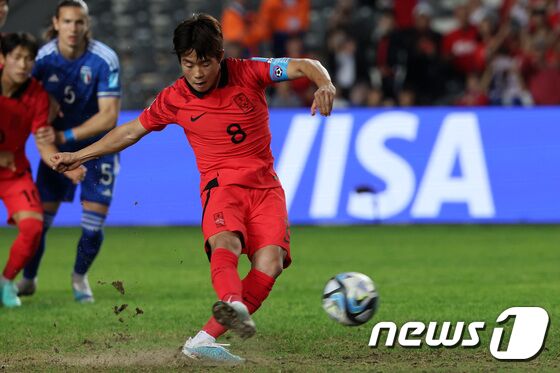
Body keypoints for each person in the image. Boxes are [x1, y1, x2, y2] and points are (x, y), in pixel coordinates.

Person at [48, 14, 335, 362]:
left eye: (205, 63)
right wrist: (80, 155)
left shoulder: (250, 71)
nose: (197, 73)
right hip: (221, 187)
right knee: (225, 241)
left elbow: (306, 64)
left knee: (271, 263)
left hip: (265, 188)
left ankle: (202, 339)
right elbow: (128, 132)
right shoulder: (174, 97)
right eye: (188, 64)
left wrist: (325, 84)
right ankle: (233, 304)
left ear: (220, 56)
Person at [17, 0, 121, 303]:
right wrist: (51, 135)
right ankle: (28, 279)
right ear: (56, 23)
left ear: (87, 24)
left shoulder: (105, 59)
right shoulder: (41, 60)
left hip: (98, 150)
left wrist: (65, 134)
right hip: (56, 152)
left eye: (79, 22)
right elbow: (33, 111)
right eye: (67, 22)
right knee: (39, 224)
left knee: (92, 226)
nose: (73, 28)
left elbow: (109, 117)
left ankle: (79, 278)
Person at [0, 32, 85, 308]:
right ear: (3, 58)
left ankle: (5, 283)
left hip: (13, 172)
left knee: (34, 227)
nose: (23, 65)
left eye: (29, 59)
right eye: (17, 58)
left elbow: (43, 141)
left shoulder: (37, 95)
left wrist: (63, 165)